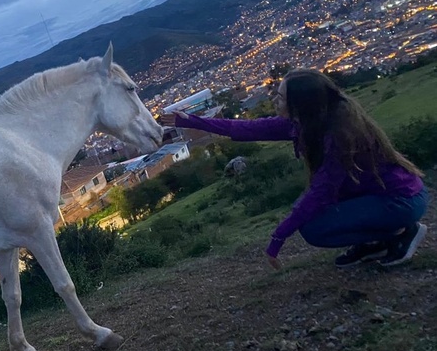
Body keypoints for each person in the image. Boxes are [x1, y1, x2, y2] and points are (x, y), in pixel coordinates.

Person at [158, 69, 429, 270]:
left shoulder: (338, 136)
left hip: (401, 200)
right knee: (311, 216)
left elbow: (321, 192)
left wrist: (279, 236)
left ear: (300, 104)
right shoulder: (305, 123)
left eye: (280, 98)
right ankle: (375, 242)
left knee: (314, 228)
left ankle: (400, 235)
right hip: (385, 196)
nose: (275, 101)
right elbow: (242, 128)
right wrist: (190, 120)